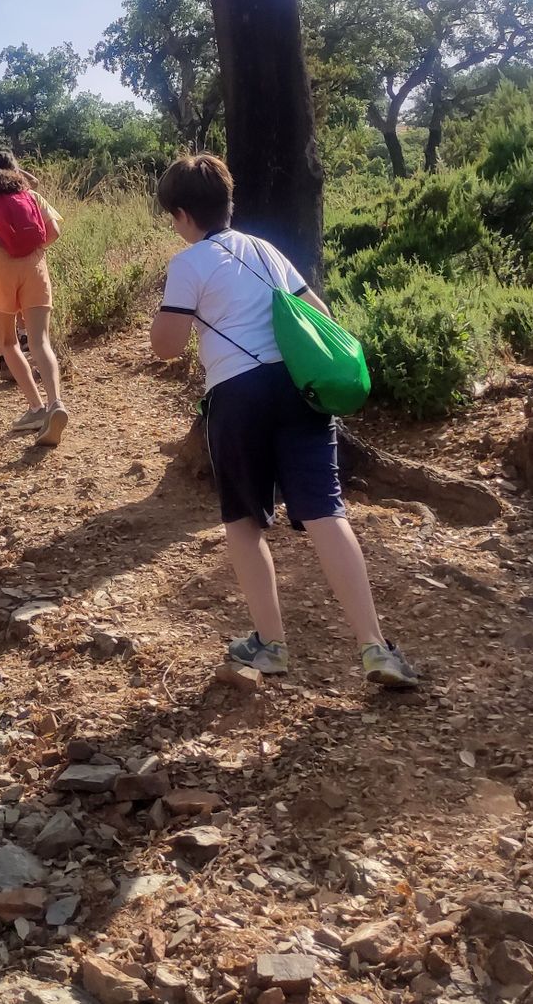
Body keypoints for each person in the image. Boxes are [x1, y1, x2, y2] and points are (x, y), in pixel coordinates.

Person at [148, 153, 417, 688]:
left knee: (245, 522)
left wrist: (174, 318)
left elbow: (166, 347)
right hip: (299, 392)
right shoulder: (264, 249)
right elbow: (317, 312)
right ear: (229, 202)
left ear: (181, 215)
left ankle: (270, 646)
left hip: (236, 396)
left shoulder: (188, 264)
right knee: (326, 512)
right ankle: (375, 647)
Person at [0, 167, 69, 445]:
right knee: (40, 341)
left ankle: (36, 408)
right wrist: (37, 249)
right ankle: (56, 401)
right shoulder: (32, 196)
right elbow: (55, 230)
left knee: (8, 342)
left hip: (0, 266)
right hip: (35, 265)